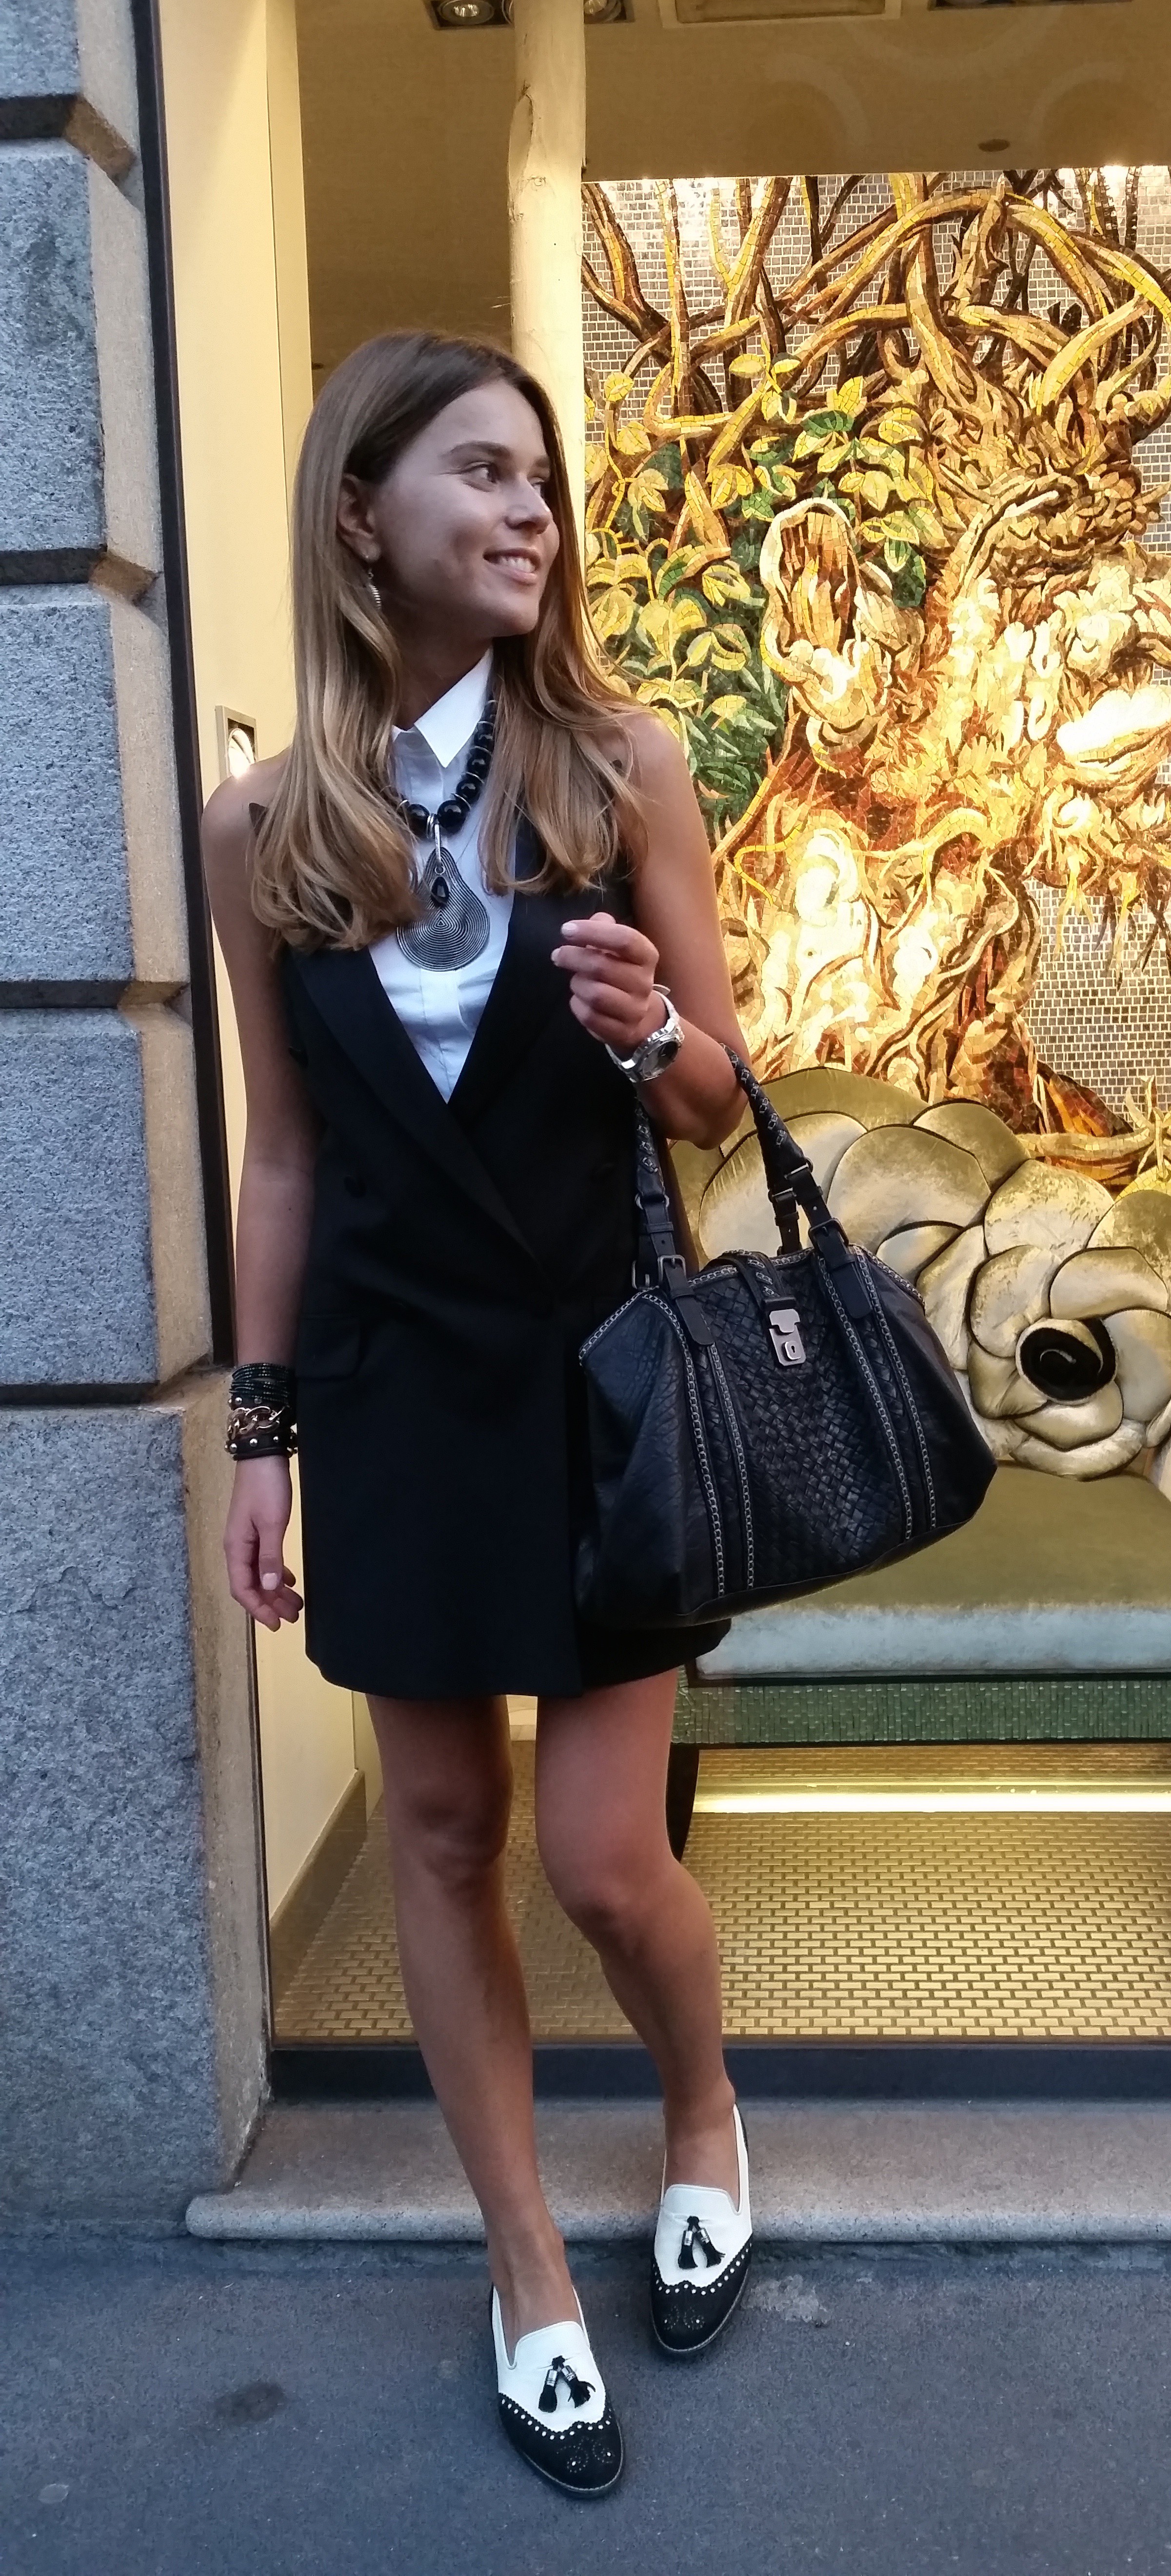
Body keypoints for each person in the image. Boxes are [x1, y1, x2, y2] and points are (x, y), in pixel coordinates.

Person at [203, 331, 754, 2497]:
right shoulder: (264, 829)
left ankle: (703, 2107)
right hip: (393, 1391)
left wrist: (646, 1029)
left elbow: (719, 1095)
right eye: (483, 471)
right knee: (442, 1836)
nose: (533, 510)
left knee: (605, 1857)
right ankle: (525, 2264)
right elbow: (284, 1157)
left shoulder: (619, 765)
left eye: (542, 480)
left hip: (601, 1376)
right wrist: (262, 1431)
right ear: (362, 510)